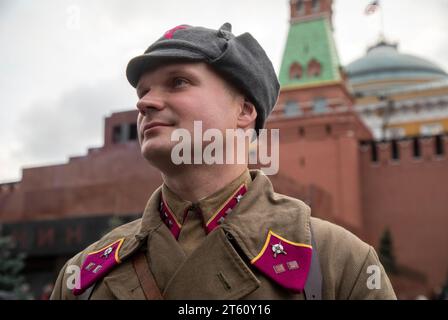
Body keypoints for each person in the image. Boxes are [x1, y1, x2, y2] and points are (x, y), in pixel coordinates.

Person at [50, 23, 396, 300]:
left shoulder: (336, 262)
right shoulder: (83, 276)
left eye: (178, 82)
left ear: (244, 111)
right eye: (143, 92)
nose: (145, 103)